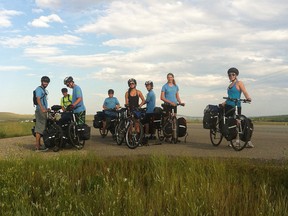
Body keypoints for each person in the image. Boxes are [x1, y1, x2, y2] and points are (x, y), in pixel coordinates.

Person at [221, 67, 254, 148]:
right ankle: (232, 140)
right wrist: (224, 103)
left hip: (236, 105)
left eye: (233, 74)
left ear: (236, 75)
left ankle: (245, 140)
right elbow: (230, 96)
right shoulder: (229, 86)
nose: (231, 76)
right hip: (228, 105)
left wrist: (248, 98)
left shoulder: (239, 83)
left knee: (238, 122)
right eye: (229, 75)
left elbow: (244, 91)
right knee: (230, 123)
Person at [161, 73, 185, 142]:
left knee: (174, 120)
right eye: (168, 77)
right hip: (167, 105)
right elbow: (162, 97)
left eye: (170, 77)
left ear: (173, 78)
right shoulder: (164, 86)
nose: (169, 78)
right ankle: (166, 136)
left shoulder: (176, 86)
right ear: (167, 78)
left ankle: (174, 136)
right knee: (167, 120)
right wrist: (169, 102)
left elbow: (177, 96)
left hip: (174, 105)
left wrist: (180, 103)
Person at [125, 78, 145, 144]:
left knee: (137, 125)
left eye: (133, 83)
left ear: (135, 84)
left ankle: (137, 140)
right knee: (131, 126)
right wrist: (128, 107)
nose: (131, 84)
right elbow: (127, 102)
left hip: (136, 110)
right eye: (130, 84)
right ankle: (130, 140)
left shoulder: (138, 92)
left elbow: (143, 100)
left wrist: (139, 106)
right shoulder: (127, 93)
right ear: (129, 85)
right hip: (130, 110)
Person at [34, 76, 50, 152]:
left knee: (42, 129)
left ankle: (39, 145)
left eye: (47, 82)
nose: (46, 83)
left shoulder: (43, 90)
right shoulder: (39, 89)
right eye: (44, 82)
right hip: (40, 111)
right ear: (41, 81)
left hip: (43, 110)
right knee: (39, 129)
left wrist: (46, 109)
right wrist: (43, 109)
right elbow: (38, 99)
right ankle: (37, 147)